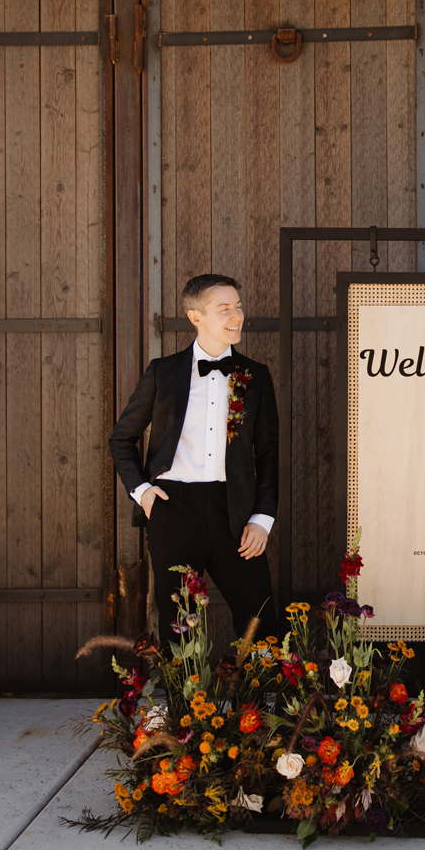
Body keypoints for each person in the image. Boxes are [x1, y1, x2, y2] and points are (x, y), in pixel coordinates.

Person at [110, 274, 279, 639]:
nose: (236, 316)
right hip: (173, 508)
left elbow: (267, 452)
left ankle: (261, 680)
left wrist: (262, 518)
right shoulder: (163, 372)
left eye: (238, 307)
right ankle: (180, 681)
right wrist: (143, 492)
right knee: (177, 624)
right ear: (195, 317)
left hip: (234, 512)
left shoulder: (255, 376)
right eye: (224, 309)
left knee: (260, 618)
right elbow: (121, 439)